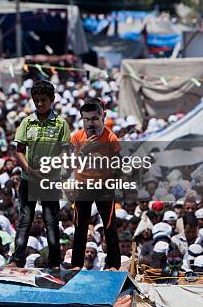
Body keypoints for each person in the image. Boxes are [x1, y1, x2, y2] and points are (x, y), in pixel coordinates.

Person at [8, 80, 70, 269]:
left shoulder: (61, 124)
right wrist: (29, 170)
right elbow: (19, 150)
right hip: (28, 180)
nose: (40, 104)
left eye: (43, 100)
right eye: (36, 101)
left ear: (52, 99)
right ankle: (17, 259)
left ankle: (53, 262)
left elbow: (64, 151)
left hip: (50, 181)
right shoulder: (27, 123)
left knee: (51, 222)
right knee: (25, 221)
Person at [70, 97, 121, 270]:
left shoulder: (111, 137)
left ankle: (113, 264)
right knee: (80, 226)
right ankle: (76, 264)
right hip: (82, 187)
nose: (90, 123)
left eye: (94, 119)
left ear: (102, 117)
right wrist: (84, 150)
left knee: (109, 226)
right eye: (87, 119)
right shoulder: (77, 137)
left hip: (104, 187)